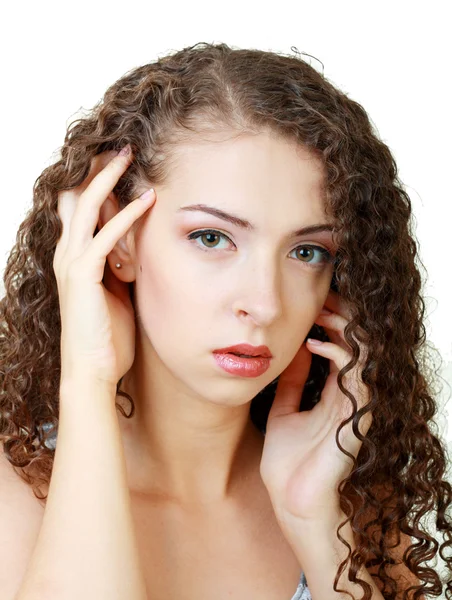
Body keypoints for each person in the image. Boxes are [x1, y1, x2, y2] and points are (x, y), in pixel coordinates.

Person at [0, 41, 449, 600]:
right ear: (118, 240)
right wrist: (87, 378)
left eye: (308, 252)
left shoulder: (353, 508)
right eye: (212, 238)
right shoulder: (15, 491)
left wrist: (311, 519)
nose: (264, 304)